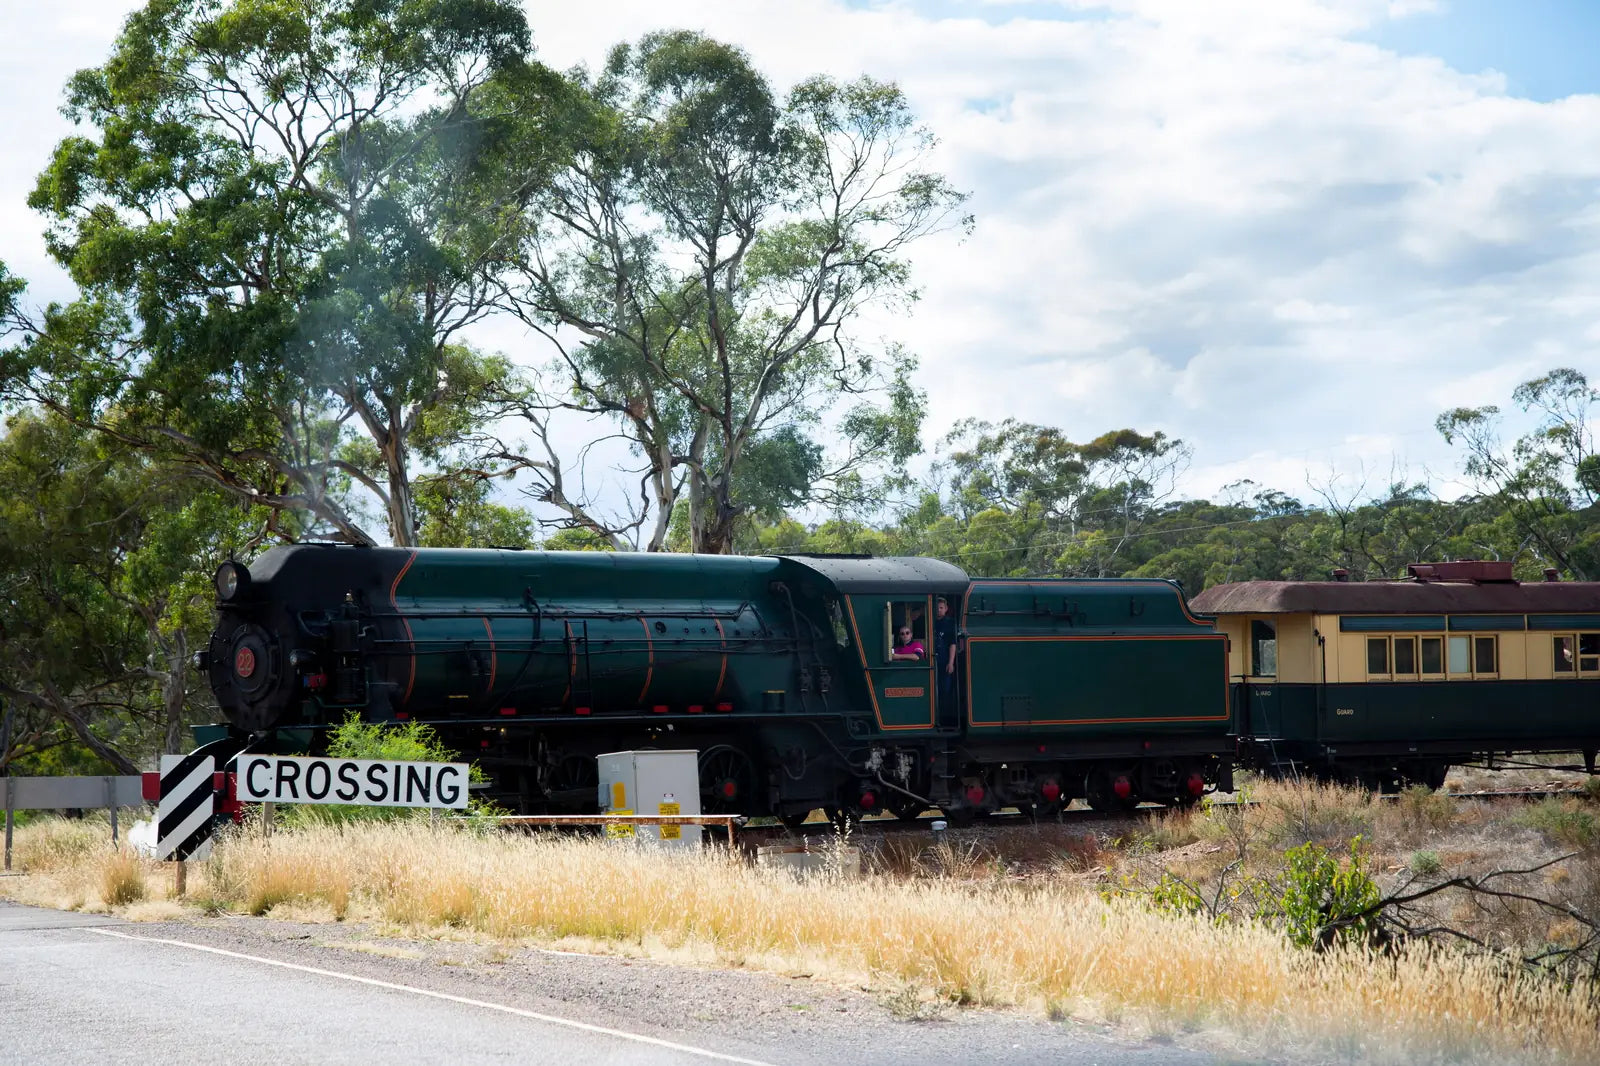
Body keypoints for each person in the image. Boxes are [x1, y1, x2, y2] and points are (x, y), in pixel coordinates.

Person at [933, 596, 958, 704]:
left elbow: (953, 644)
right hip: (932, 659)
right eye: (937, 608)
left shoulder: (950, 623)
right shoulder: (929, 620)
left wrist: (951, 662)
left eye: (941, 607)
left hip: (944, 660)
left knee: (945, 688)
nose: (939, 610)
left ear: (946, 608)